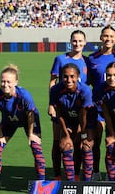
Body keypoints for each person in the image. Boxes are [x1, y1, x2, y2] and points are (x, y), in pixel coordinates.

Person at [0, 64, 45, 194]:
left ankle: (41, 185)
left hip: (29, 121)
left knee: (36, 147)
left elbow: (30, 116)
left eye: (8, 82)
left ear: (16, 82)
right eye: (2, 81)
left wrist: (31, 134)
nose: (5, 84)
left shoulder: (24, 95)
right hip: (8, 122)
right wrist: (0, 133)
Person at [86, 25, 115, 181]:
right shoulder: (92, 58)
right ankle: (96, 172)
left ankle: (112, 177)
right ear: (100, 38)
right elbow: (88, 82)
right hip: (98, 105)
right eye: (105, 36)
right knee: (96, 140)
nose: (108, 39)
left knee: (112, 141)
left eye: (111, 36)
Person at [48, 30, 88, 181]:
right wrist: (51, 104)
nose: (77, 44)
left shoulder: (86, 61)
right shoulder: (60, 59)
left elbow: (86, 85)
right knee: (58, 140)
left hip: (78, 107)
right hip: (61, 105)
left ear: (85, 42)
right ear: (70, 42)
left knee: (77, 141)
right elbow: (52, 82)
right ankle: (57, 174)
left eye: (80, 41)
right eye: (74, 41)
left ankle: (76, 174)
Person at [49, 63, 94, 181]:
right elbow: (58, 114)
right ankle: (69, 181)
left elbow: (83, 116)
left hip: (84, 121)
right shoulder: (55, 90)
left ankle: (85, 181)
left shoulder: (85, 91)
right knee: (65, 144)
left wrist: (83, 135)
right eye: (65, 76)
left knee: (86, 145)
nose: (69, 80)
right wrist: (66, 134)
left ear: (78, 76)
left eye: (72, 76)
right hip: (65, 119)